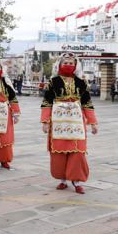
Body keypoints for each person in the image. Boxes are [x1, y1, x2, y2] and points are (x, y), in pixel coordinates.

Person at [41, 53, 98, 194]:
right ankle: (62, 180)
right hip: (58, 121)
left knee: (78, 152)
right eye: (66, 62)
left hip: (76, 121)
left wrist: (93, 122)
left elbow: (87, 103)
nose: (69, 65)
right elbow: (47, 102)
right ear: (60, 64)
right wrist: (45, 121)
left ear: (76, 65)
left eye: (72, 63)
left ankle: (77, 181)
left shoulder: (81, 82)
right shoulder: (53, 82)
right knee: (58, 152)